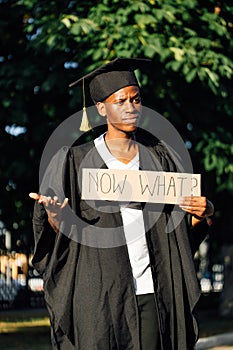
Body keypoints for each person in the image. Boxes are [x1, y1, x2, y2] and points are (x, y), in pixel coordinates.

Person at [29, 58, 214, 350]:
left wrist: (203, 213)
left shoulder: (161, 159)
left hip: (154, 292)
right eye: (120, 101)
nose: (130, 107)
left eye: (136, 99)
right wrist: (56, 218)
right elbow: (53, 238)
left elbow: (180, 234)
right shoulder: (73, 163)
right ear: (101, 108)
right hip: (99, 299)